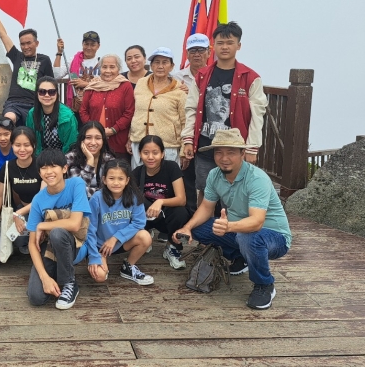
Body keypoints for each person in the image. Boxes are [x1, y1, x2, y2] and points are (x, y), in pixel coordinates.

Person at [173, 129, 292, 310]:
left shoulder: (257, 178)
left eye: (231, 152)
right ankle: (241, 258)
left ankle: (264, 284)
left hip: (275, 236)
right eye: (219, 152)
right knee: (198, 228)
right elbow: (206, 207)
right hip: (237, 229)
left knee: (249, 237)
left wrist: (228, 227)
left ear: (243, 153)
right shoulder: (214, 175)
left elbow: (257, 222)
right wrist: (187, 228)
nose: (224, 158)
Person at [181, 22, 267, 209]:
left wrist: (252, 148)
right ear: (213, 46)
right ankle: (204, 227)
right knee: (204, 190)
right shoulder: (202, 75)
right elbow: (191, 109)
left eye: (230, 43)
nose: (225, 47)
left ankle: (231, 227)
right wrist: (188, 139)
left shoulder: (250, 77)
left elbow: (257, 114)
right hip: (206, 145)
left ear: (239, 45)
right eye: (220, 43)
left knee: (234, 192)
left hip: (234, 148)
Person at [26, 149, 91, 310]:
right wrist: (44, 277)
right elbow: (32, 244)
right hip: (50, 249)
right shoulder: (38, 199)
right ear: (39, 173)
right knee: (36, 297)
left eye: (53, 166)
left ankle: (69, 282)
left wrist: (42, 225)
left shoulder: (76, 184)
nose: (49, 172)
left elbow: (75, 224)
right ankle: (54, 274)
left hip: (76, 245)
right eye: (44, 168)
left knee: (56, 232)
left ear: (64, 168)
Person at [83, 160, 153, 285]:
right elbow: (90, 229)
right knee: (99, 276)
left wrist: (115, 238)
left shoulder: (134, 197)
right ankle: (101, 260)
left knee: (145, 237)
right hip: (100, 246)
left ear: (127, 180)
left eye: (120, 178)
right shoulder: (96, 198)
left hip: (120, 242)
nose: (116, 183)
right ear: (104, 180)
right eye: (111, 178)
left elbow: (139, 223)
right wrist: (93, 256)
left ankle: (128, 266)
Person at [0, 1, 54, 126]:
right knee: (7, 121)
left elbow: (51, 85)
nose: (26, 47)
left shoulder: (44, 60)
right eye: (22, 44)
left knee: (33, 129)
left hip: (34, 104)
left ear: (36, 43)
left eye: (29, 43)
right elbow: (3, 35)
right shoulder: (17, 56)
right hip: (14, 104)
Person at [132, 135, 190, 270]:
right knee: (133, 204)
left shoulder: (171, 168)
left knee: (181, 213)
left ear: (162, 154)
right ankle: (144, 237)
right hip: (145, 217)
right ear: (140, 154)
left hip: (166, 216)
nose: (150, 157)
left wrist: (160, 201)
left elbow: (182, 199)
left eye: (155, 153)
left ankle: (172, 246)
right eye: (146, 153)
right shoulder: (137, 173)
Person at [128, 47, 186, 169]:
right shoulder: (141, 83)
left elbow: (185, 121)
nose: (160, 66)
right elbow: (136, 113)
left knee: (166, 179)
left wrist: (184, 148)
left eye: (165, 62)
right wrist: (130, 137)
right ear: (151, 65)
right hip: (140, 142)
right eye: (157, 62)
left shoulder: (179, 90)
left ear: (171, 66)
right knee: (138, 178)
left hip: (167, 146)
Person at [173, 33, 211, 214]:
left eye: (201, 50)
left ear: (209, 52)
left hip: (208, 133)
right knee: (186, 174)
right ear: (187, 54)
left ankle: (211, 215)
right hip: (186, 132)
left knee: (210, 177)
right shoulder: (177, 77)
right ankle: (189, 213)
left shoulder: (215, 75)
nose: (197, 54)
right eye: (193, 50)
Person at [0, 127, 44, 253]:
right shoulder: (8, 167)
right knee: (18, 240)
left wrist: (18, 214)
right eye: (17, 145)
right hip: (23, 210)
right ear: (12, 145)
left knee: (39, 236)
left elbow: (42, 199)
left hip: (43, 211)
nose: (22, 149)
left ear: (34, 145)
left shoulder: (41, 165)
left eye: (26, 145)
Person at [79, 54, 135, 159]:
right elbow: (83, 110)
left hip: (118, 143)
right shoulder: (93, 85)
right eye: (104, 67)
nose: (108, 71)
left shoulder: (125, 86)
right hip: (94, 143)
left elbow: (129, 112)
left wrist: (113, 130)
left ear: (119, 69)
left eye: (112, 67)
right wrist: (94, 130)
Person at [27, 76, 78, 155]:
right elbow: (30, 141)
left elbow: (70, 146)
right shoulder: (32, 114)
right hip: (39, 158)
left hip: (63, 158)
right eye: (42, 92)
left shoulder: (68, 117)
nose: (47, 95)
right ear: (37, 94)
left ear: (57, 94)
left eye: (51, 92)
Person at [65, 121, 116, 198]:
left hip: (104, 203)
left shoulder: (109, 159)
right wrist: (90, 162)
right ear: (81, 140)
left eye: (98, 138)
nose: (93, 142)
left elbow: (114, 189)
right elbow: (77, 191)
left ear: (103, 140)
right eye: (88, 138)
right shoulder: (71, 158)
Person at [53, 32, 101, 110]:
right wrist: (59, 53)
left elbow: (105, 84)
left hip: (95, 105)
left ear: (98, 46)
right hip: (76, 104)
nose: (89, 47)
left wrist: (85, 84)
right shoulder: (73, 60)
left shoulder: (102, 63)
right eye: (86, 44)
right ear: (82, 44)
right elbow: (57, 75)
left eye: (92, 45)